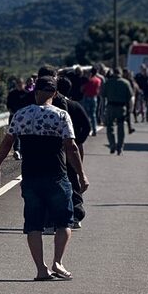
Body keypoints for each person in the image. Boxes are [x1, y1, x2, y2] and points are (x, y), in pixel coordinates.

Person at [0, 75, 88, 281]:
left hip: (31, 175)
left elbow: (7, 143)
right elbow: (71, 147)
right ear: (55, 93)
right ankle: (58, 262)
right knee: (64, 222)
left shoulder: (21, 114)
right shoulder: (61, 115)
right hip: (56, 174)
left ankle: (41, 269)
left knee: (33, 224)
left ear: (36, 92)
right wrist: (81, 174)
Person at [56, 75, 90, 227]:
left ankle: (53, 216)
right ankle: (76, 213)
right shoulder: (75, 106)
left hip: (55, 150)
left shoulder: (52, 108)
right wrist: (78, 141)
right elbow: (87, 126)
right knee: (73, 180)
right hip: (71, 148)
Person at [102, 67, 134, 155]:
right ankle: (120, 148)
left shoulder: (108, 82)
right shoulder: (126, 83)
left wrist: (102, 110)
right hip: (121, 107)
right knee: (121, 127)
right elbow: (130, 98)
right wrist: (131, 109)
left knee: (110, 126)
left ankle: (112, 144)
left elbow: (103, 96)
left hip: (110, 107)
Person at [6, 77, 30, 159]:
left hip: (24, 117)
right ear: (16, 84)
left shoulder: (27, 94)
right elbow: (8, 105)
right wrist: (12, 112)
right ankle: (17, 150)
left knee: (23, 134)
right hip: (14, 116)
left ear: (24, 84)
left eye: (20, 83)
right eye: (18, 83)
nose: (19, 85)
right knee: (14, 134)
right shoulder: (12, 94)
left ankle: (23, 151)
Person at [81, 66, 103, 136]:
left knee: (86, 115)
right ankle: (94, 130)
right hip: (94, 97)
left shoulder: (88, 80)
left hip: (87, 96)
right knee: (93, 115)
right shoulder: (98, 80)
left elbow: (82, 89)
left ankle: (87, 130)